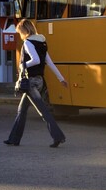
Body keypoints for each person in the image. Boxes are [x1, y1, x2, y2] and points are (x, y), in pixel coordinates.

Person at [4, 19, 68, 148]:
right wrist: (61, 78)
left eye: (20, 32)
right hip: (39, 81)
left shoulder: (28, 42)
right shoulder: (42, 42)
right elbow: (49, 62)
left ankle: (58, 136)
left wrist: (23, 65)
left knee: (43, 111)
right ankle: (13, 139)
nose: (20, 35)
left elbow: (36, 60)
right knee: (21, 110)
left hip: (31, 82)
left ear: (25, 31)